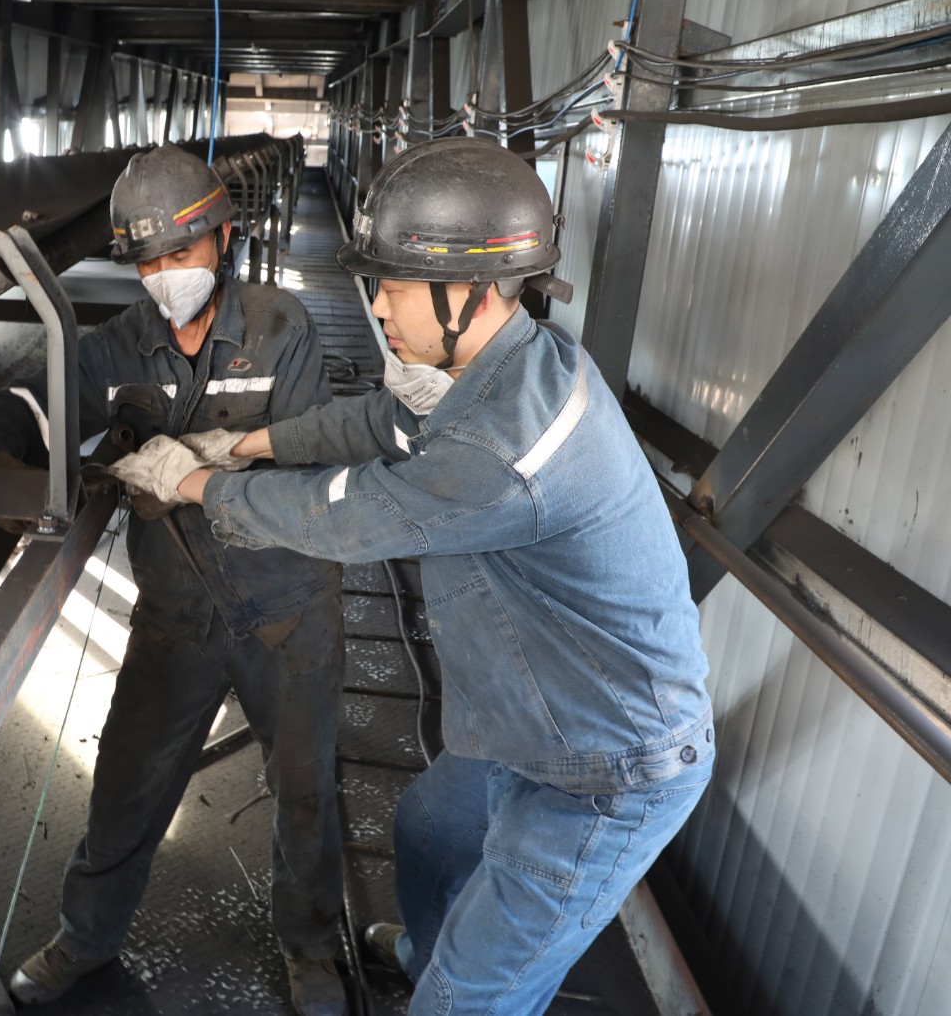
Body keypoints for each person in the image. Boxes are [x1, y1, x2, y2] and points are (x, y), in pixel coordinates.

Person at [109, 137, 714, 1016]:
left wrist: (197, 484)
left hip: (606, 762)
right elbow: (376, 425)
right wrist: (244, 443)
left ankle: (452, 985)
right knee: (428, 829)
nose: (378, 308)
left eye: (393, 287)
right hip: (533, 709)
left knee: (472, 995)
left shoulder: (504, 450)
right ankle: (428, 952)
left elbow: (348, 514)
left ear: (470, 291)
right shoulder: (505, 366)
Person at [0, 143, 350, 1016]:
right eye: (147, 261)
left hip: (287, 609)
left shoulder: (281, 328)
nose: (166, 275)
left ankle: (312, 947)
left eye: (182, 252)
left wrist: (204, 469)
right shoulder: (120, 347)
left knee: (304, 792)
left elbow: (312, 468)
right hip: (176, 614)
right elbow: (29, 400)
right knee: (126, 787)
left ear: (224, 238)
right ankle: (86, 938)